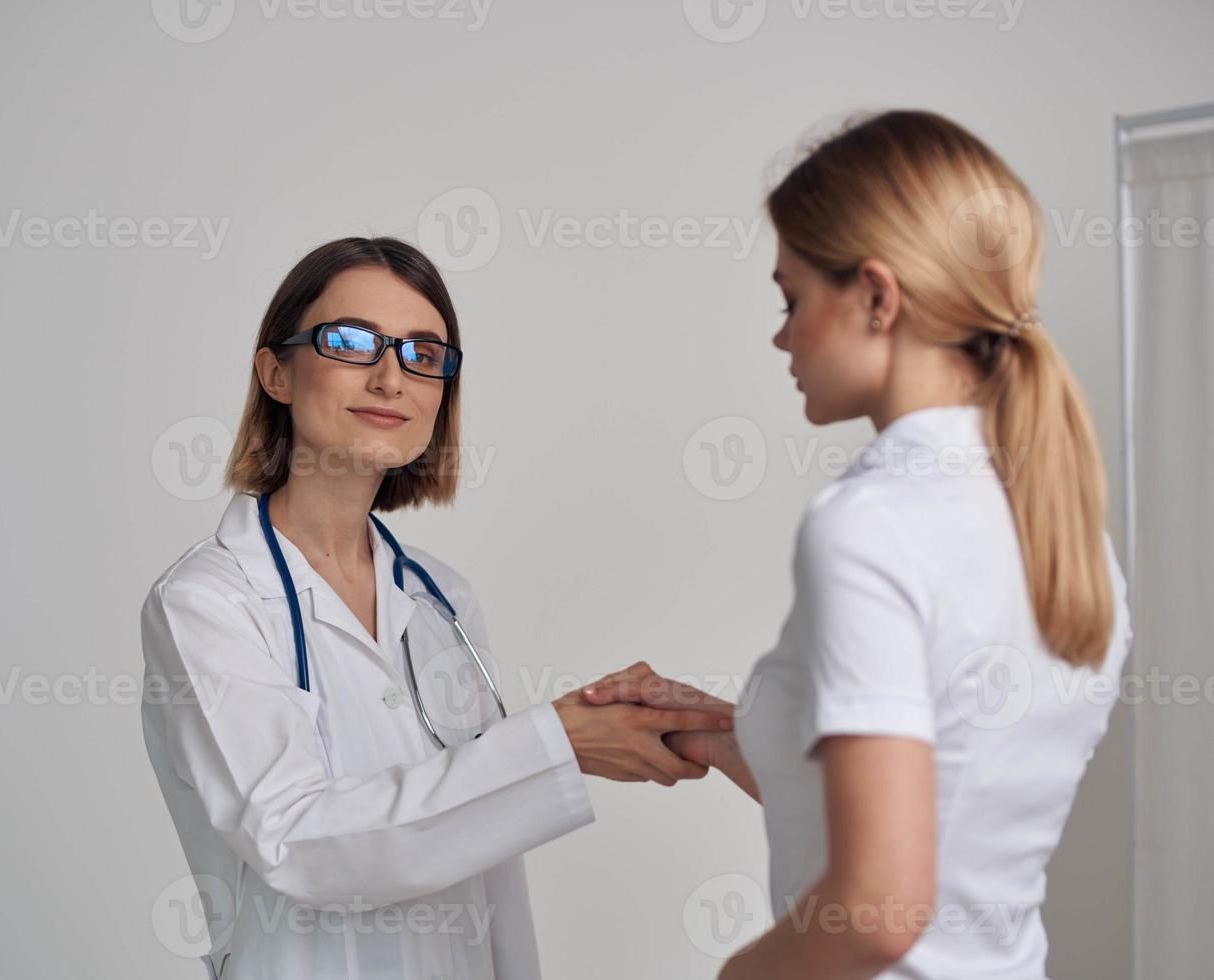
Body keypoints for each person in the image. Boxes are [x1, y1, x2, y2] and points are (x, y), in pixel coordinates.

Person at [584, 109, 1135, 979]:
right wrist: (723, 731)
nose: (780, 335)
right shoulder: (1063, 536)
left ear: (877, 296)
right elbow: (940, 810)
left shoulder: (869, 525)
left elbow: (879, 912)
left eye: (790, 297)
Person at [139, 236, 733, 980]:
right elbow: (294, 842)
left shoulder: (440, 596)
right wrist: (556, 745)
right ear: (276, 372)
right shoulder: (207, 602)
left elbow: (489, 870)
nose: (391, 377)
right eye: (353, 343)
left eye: (424, 353)